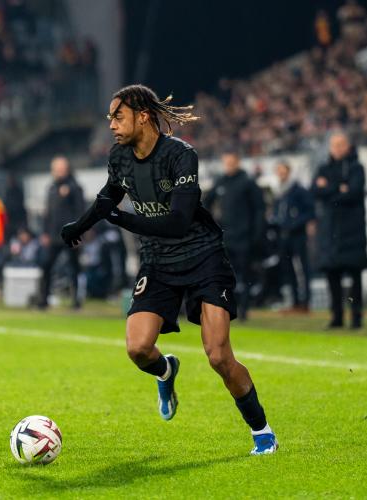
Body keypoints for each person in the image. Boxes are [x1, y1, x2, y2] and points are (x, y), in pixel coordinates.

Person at [60, 84, 277, 455]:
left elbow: (178, 222)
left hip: (203, 257)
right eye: (110, 118)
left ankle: (262, 430)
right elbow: (108, 197)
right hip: (158, 261)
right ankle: (165, 371)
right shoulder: (120, 156)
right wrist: (78, 226)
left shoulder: (180, 156)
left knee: (218, 356)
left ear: (143, 115)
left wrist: (123, 221)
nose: (111, 124)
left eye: (118, 116)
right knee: (138, 347)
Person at [312, 132, 367, 330]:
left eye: (341, 144)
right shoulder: (323, 167)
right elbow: (315, 190)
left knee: (355, 277)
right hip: (330, 232)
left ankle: (356, 317)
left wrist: (330, 188)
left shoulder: (357, 167)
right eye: (334, 145)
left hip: (352, 231)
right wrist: (339, 188)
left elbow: (353, 192)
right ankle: (336, 316)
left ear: (348, 146)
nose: (337, 148)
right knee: (332, 276)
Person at [203, 152, 265, 320]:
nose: (228, 165)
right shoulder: (220, 181)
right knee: (225, 275)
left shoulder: (248, 183)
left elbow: (259, 209)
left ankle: (244, 310)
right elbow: (206, 202)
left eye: (231, 162)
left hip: (244, 237)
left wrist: (257, 234)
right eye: (226, 162)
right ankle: (228, 308)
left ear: (238, 162)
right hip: (225, 237)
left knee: (244, 275)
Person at [38, 156, 85, 309]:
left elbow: (80, 211)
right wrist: (45, 232)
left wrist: (79, 232)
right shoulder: (51, 188)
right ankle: (43, 299)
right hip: (53, 235)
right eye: (56, 169)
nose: (58, 172)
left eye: (61, 168)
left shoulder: (75, 187)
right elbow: (47, 213)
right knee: (46, 266)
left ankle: (76, 301)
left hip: (70, 234)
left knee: (74, 268)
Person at [272, 161, 314, 313]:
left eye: (283, 171)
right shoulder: (279, 191)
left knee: (303, 268)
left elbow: (310, 211)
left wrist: (294, 223)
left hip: (298, 235)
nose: (281, 174)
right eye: (279, 171)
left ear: (288, 172)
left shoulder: (298, 190)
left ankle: (306, 301)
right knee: (289, 269)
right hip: (284, 236)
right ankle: (296, 301)